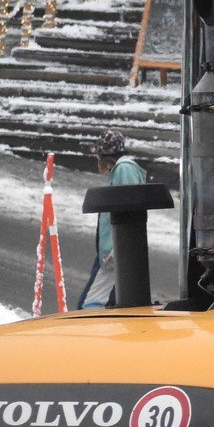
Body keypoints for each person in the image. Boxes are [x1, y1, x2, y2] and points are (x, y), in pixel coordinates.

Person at [79, 130, 147, 309]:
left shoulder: (124, 169)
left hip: (115, 253)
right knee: (111, 305)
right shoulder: (120, 170)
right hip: (114, 252)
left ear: (105, 155)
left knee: (89, 306)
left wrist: (118, 249)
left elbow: (130, 210)